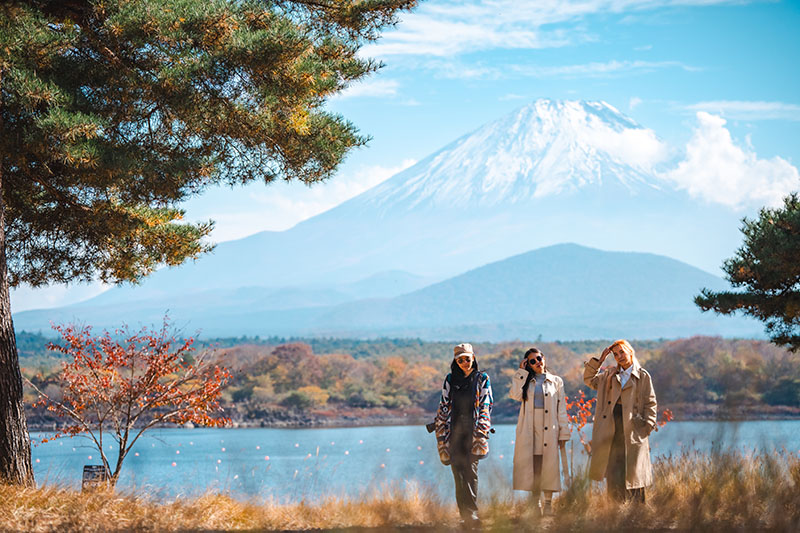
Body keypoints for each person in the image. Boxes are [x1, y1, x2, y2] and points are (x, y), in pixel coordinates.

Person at [583, 339, 657, 503]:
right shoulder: (609, 375)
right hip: (611, 426)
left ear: (630, 351)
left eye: (621, 352)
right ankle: (615, 511)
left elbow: (651, 403)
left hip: (634, 427)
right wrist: (599, 361)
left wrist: (647, 427)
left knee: (634, 470)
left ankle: (637, 513)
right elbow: (589, 380)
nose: (619, 357)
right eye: (615, 354)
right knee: (613, 468)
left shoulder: (643, 376)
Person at [435, 343, 493, 527]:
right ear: (456, 361)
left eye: (467, 359)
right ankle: (464, 514)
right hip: (454, 431)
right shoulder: (450, 379)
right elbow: (444, 405)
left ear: (473, 358)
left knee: (471, 472)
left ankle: (472, 513)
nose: (464, 363)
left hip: (473, 431)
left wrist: (482, 430)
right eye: (460, 360)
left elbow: (486, 404)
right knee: (458, 473)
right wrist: (440, 428)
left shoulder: (482, 378)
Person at [509, 347, 570, 516]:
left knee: (549, 467)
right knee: (534, 467)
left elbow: (562, 409)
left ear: (544, 358)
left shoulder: (556, 381)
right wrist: (521, 372)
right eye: (532, 361)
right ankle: (535, 504)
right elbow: (514, 395)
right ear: (528, 364)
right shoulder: (526, 381)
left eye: (539, 358)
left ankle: (549, 504)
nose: (537, 363)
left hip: (550, 429)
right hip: (530, 429)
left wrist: (563, 432)